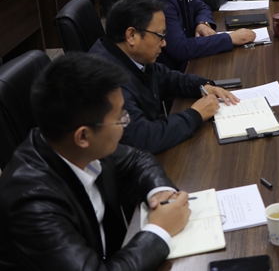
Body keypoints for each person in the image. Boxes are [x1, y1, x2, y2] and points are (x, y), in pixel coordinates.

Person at [0, 53, 191, 271]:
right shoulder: (33, 204)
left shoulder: (72, 144)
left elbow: (137, 158)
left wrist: (159, 192)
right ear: (83, 136)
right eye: (119, 119)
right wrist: (159, 230)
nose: (125, 124)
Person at [88, 0, 240, 154]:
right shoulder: (108, 83)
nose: (164, 43)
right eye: (160, 36)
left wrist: (201, 86)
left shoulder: (129, 55)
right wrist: (195, 114)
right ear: (131, 36)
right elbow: (143, 139)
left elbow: (166, 78)